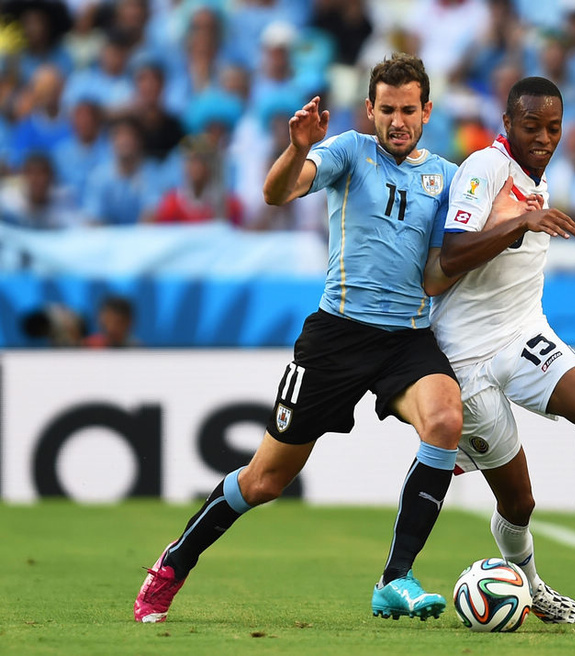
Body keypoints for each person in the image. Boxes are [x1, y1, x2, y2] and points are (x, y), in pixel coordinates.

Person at [134, 53, 465, 624]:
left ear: (427, 111)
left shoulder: (447, 177)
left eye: (408, 110)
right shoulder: (347, 151)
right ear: (370, 109)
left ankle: (395, 578)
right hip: (337, 336)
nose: (398, 121)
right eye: (387, 109)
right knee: (264, 481)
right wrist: (296, 148)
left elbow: (442, 267)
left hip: (407, 337)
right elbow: (276, 194)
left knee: (445, 421)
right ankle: (174, 563)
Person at [424, 77, 575, 625]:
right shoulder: (484, 168)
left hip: (523, 332)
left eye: (553, 128)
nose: (544, 138)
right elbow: (452, 256)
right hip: (466, 356)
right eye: (532, 126)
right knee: (519, 503)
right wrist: (522, 222)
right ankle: (531, 588)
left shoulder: (538, 177)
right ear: (507, 123)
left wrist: (527, 217)